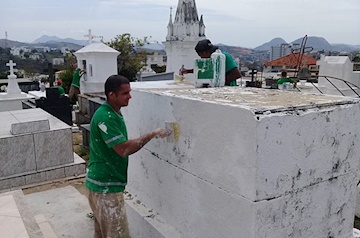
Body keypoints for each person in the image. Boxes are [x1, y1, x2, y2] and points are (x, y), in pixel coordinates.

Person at [85, 75, 169, 238]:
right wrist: (152, 134)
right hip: (105, 188)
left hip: (100, 185)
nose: (130, 96)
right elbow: (123, 149)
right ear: (112, 94)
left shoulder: (112, 113)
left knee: (102, 234)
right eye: (125, 93)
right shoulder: (106, 117)